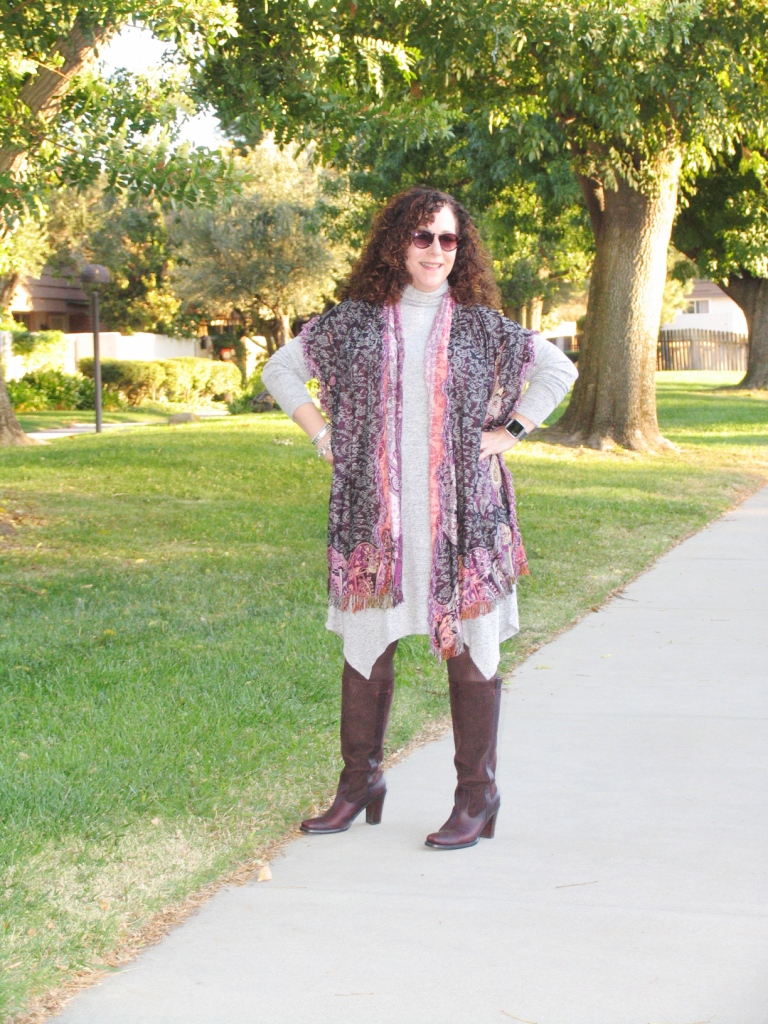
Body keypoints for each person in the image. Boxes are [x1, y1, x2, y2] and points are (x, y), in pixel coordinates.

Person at [262, 187, 577, 850]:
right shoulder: (353, 323)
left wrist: (511, 431)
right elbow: (282, 370)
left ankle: (477, 797)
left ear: (461, 248)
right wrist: (323, 435)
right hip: (375, 516)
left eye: (448, 238)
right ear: (395, 243)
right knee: (366, 648)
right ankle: (359, 785)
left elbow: (557, 368)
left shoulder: (483, 327)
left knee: (471, 650)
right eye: (422, 236)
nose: (436, 250)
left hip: (465, 518)